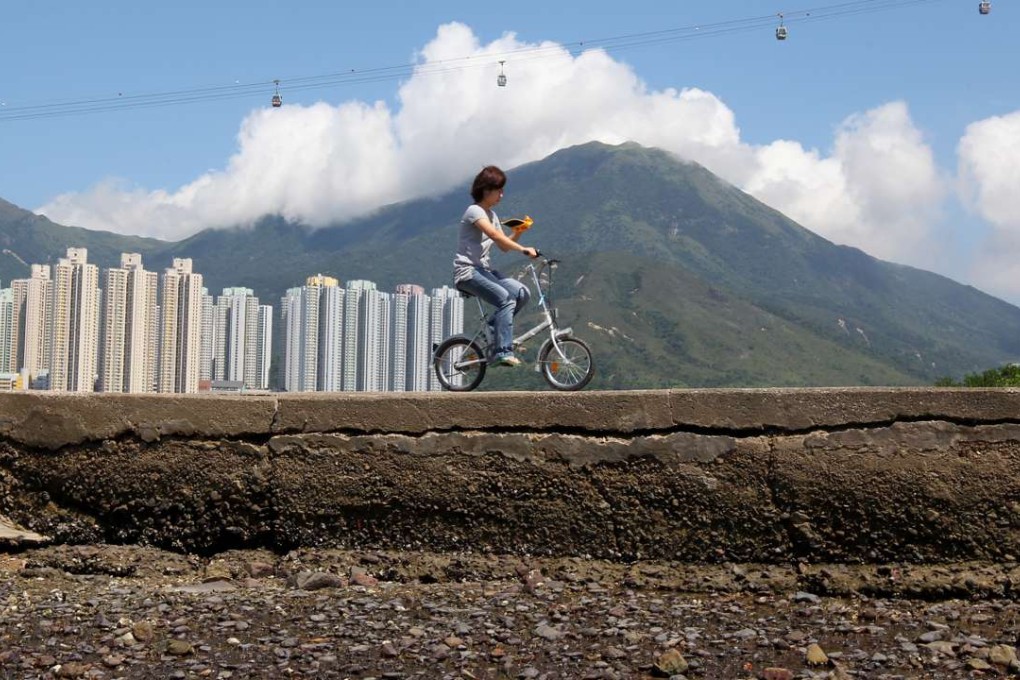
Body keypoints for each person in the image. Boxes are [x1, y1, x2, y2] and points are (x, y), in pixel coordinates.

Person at [453, 165, 539, 367]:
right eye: (498, 190)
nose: (502, 194)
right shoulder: (474, 211)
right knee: (506, 299)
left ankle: (492, 331)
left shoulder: (492, 216)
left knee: (521, 293)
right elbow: (493, 235)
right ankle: (503, 351)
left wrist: (518, 232)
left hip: (484, 271)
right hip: (467, 272)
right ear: (486, 190)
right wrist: (523, 249)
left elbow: (502, 246)